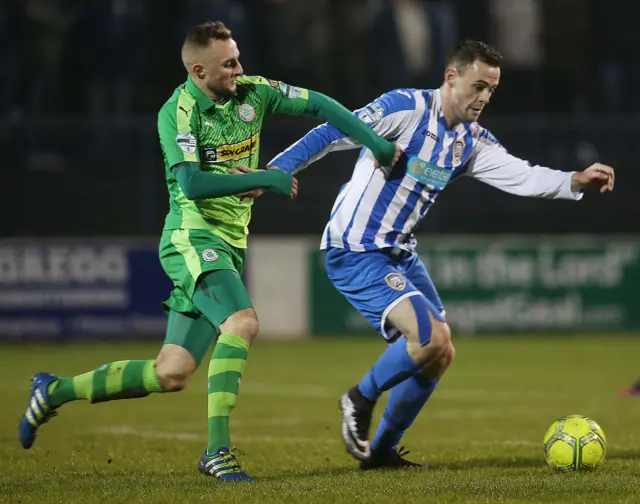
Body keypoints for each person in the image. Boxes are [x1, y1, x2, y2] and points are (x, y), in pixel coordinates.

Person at [18, 20, 399, 483]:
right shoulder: (176, 113)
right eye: (229, 64)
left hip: (229, 243)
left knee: (170, 372)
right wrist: (265, 177)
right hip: (191, 237)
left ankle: (53, 392)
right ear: (198, 70)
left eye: (238, 58)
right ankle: (217, 452)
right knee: (243, 322)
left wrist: (376, 143)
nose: (241, 68)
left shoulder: (254, 93)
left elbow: (318, 103)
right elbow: (191, 184)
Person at [268, 40, 615, 470]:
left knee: (441, 353)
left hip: (399, 254)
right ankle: (359, 398)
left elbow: (521, 175)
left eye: (492, 89)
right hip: (356, 248)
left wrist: (575, 180)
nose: (485, 97)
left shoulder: (471, 140)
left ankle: (380, 453)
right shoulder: (404, 108)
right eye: (478, 85)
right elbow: (331, 132)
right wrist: (276, 170)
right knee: (430, 337)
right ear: (451, 78)